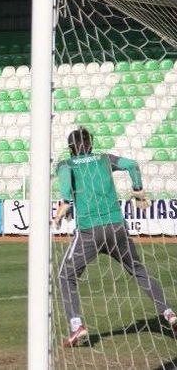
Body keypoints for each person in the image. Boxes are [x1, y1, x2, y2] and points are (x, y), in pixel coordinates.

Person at [54, 127, 176, 347]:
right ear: (90, 143)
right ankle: (168, 313)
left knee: (65, 276)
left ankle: (76, 325)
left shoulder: (66, 164)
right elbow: (132, 165)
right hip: (117, 228)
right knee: (138, 270)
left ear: (71, 147)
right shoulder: (104, 159)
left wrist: (65, 201)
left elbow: (64, 177)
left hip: (90, 232)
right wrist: (138, 190)